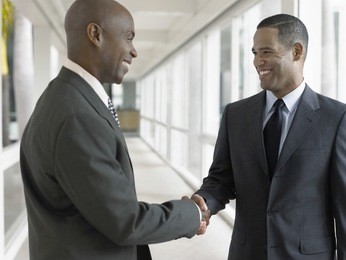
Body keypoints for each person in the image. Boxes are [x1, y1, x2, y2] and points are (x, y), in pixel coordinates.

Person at [19, 0, 210, 259]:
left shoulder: (64, 96)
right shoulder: (77, 116)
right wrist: (191, 214)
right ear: (95, 34)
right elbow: (125, 221)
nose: (134, 52)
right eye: (129, 38)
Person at [191, 14, 346, 260]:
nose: (257, 61)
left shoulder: (336, 117)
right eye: (254, 53)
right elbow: (221, 178)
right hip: (247, 253)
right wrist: (204, 201)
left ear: (296, 52)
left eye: (266, 52)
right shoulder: (236, 114)